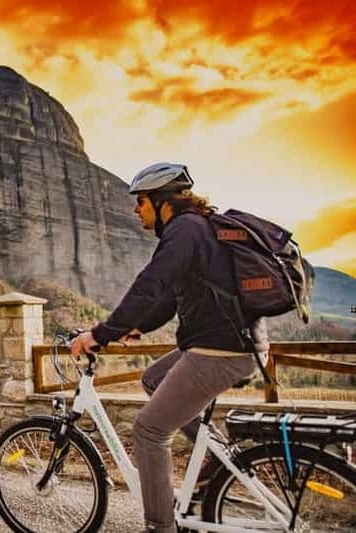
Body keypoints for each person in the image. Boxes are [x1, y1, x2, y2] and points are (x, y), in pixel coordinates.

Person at [71, 163, 266, 533]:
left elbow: (151, 283)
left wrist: (102, 333)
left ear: (163, 202)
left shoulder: (185, 229)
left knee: (149, 430)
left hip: (221, 351)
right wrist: (136, 326)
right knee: (153, 378)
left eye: (140, 201)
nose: (135, 210)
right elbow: (168, 299)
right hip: (231, 345)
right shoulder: (198, 229)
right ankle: (215, 456)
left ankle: (160, 527)